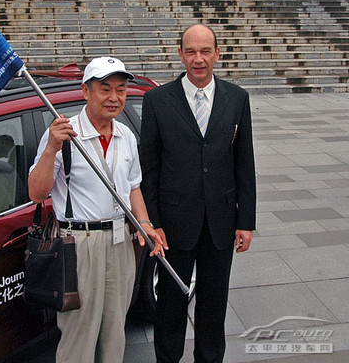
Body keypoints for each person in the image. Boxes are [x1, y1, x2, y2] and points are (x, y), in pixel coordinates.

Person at [29, 57, 164, 363]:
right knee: (80, 335)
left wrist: (144, 222)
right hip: (79, 245)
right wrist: (51, 148)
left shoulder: (126, 136)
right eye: (105, 89)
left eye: (121, 89)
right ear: (85, 91)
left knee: (115, 331)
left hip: (120, 242)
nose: (114, 97)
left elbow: (133, 188)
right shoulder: (64, 134)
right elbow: (37, 192)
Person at [140, 24, 256, 363]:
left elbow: (243, 163)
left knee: (213, 303)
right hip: (174, 225)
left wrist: (245, 220)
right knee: (171, 303)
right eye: (190, 51)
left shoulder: (237, 99)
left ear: (218, 54)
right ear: (180, 54)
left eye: (205, 51)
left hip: (221, 221)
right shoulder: (158, 101)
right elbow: (150, 168)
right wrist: (153, 222)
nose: (198, 59)